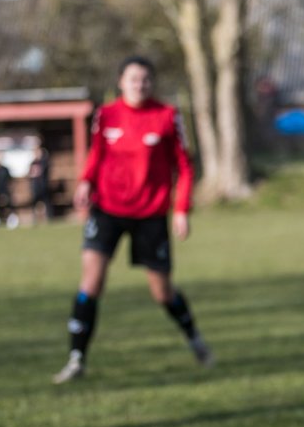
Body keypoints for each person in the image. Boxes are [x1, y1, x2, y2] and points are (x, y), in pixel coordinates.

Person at [53, 56, 213, 384]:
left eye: (145, 80)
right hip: (108, 210)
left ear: (152, 83)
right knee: (91, 282)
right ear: (120, 82)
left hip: (151, 215)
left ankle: (194, 338)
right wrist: (85, 181)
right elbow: (97, 153)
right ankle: (76, 358)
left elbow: (184, 167)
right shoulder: (106, 114)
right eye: (133, 79)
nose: (139, 85)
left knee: (162, 293)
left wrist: (181, 209)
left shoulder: (167, 116)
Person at [29, 145, 52, 225]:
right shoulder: (32, 163)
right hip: (35, 186)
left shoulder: (44, 162)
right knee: (34, 203)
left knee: (46, 202)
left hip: (43, 186)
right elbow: (30, 174)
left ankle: (49, 217)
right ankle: (34, 218)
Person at [0, 152, 12, 228]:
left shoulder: (5, 169)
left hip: (4, 192)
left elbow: (9, 181)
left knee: (7, 207)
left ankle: (9, 221)